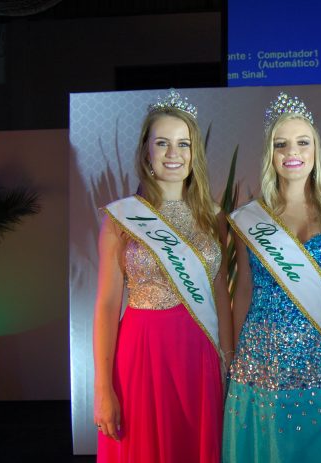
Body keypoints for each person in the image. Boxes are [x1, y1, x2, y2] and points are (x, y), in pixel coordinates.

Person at [92, 90, 233, 463]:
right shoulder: (121, 218)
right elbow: (107, 305)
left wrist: (228, 361)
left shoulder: (214, 216)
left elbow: (221, 292)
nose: (174, 153)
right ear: (146, 152)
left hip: (200, 354)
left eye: (183, 144)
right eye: (162, 143)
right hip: (142, 354)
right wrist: (103, 388)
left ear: (194, 153)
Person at [223, 92, 321, 463]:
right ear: (270, 155)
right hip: (261, 361)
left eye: (303, 142)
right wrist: (234, 359)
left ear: (316, 151)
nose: (292, 152)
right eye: (281, 144)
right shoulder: (250, 218)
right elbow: (244, 291)